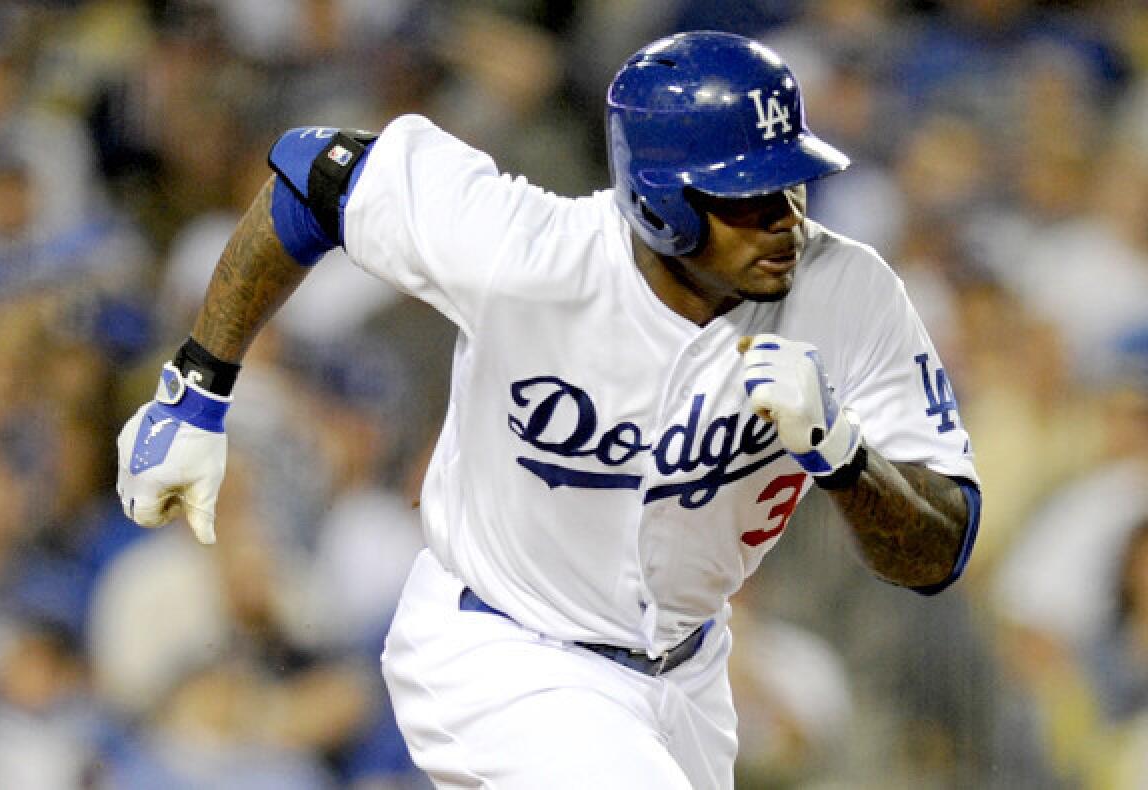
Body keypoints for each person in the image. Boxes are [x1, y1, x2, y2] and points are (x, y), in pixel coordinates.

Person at [116, 32, 980, 789]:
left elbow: (940, 549)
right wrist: (196, 389)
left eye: (794, 184)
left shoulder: (849, 293)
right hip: (503, 646)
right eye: (748, 198)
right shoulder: (527, 252)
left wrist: (846, 455)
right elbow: (316, 175)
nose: (786, 219)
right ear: (660, 202)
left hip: (688, 674)